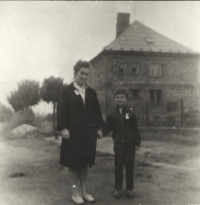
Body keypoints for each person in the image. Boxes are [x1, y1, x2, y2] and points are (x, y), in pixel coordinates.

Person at [57, 60, 103, 204]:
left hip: (88, 134)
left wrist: (99, 128)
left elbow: (96, 112)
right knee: (73, 164)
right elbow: (61, 111)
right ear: (75, 73)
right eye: (81, 73)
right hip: (72, 134)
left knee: (85, 163)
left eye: (86, 74)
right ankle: (75, 192)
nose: (84, 76)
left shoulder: (91, 92)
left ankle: (84, 192)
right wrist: (63, 128)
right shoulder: (66, 91)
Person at [102, 88, 141, 199]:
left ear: (126, 99)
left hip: (130, 146)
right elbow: (107, 129)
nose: (119, 99)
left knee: (130, 167)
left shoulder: (131, 114)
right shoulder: (111, 115)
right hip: (118, 146)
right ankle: (118, 189)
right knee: (118, 167)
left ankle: (129, 189)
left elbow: (136, 129)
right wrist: (100, 133)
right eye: (117, 97)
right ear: (114, 100)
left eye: (122, 97)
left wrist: (137, 142)